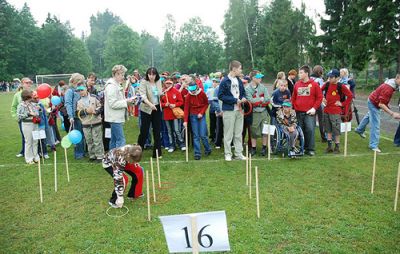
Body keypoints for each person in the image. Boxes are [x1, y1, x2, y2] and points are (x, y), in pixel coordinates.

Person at [355, 74, 400, 152]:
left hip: (373, 100)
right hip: (373, 103)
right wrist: (392, 113)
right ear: (397, 78)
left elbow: (382, 98)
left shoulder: (393, 84)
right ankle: (373, 145)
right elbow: (381, 104)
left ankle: (359, 129)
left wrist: (387, 104)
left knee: (369, 116)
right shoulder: (389, 88)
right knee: (375, 125)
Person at [218, 60, 247, 161]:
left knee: (238, 133)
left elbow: (243, 92)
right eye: (240, 68)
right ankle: (228, 153)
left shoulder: (238, 80)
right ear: (234, 69)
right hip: (229, 110)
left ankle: (238, 153)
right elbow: (220, 96)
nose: (241, 70)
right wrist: (235, 100)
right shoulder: (224, 81)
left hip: (239, 110)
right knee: (228, 133)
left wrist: (243, 98)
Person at [292, 65, 323, 156]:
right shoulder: (297, 84)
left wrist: (314, 108)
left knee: (310, 129)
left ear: (306, 73)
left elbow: (319, 97)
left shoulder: (314, 84)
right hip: (298, 112)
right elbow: (293, 97)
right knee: (300, 130)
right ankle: (302, 147)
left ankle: (310, 148)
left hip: (309, 112)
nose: (299, 74)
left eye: (301, 73)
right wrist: (293, 108)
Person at [321, 69, 353, 153]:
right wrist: (322, 98)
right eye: (329, 77)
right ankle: (329, 147)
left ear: (337, 78)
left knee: (336, 129)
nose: (329, 78)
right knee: (328, 129)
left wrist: (342, 104)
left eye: (331, 77)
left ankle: (337, 147)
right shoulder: (327, 84)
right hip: (326, 110)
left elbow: (350, 96)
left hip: (335, 111)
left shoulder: (341, 86)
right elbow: (319, 91)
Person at [102, 144, 143, 208]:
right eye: (133, 161)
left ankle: (133, 194)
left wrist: (135, 162)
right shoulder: (120, 158)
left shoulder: (134, 149)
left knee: (139, 170)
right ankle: (114, 200)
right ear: (129, 156)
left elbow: (133, 157)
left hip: (125, 160)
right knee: (124, 179)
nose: (134, 163)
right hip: (109, 163)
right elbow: (118, 179)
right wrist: (120, 197)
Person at [104, 65, 134, 150]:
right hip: (114, 118)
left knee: (113, 140)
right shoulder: (111, 86)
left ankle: (111, 159)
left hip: (115, 117)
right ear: (115, 74)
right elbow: (112, 104)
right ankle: (119, 159)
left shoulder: (116, 84)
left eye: (123, 74)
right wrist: (126, 102)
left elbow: (119, 100)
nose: (122, 77)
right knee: (121, 140)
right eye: (121, 74)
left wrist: (129, 101)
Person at [138, 67, 163, 158]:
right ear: (147, 75)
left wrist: (161, 93)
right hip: (146, 108)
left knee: (157, 130)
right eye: (150, 74)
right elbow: (143, 96)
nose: (151, 76)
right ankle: (138, 151)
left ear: (156, 75)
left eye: (153, 74)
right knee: (144, 130)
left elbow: (160, 93)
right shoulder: (143, 82)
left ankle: (157, 153)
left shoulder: (158, 81)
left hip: (156, 108)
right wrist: (150, 104)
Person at [183, 81, 211, 160]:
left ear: (197, 87)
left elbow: (206, 104)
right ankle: (197, 153)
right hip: (193, 116)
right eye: (191, 90)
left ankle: (208, 149)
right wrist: (185, 121)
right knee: (196, 136)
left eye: (193, 90)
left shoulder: (202, 93)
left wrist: (201, 113)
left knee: (203, 135)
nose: (192, 91)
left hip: (201, 115)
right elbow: (186, 109)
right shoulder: (188, 96)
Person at [245, 71, 271, 156]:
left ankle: (264, 148)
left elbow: (267, 99)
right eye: (258, 77)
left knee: (265, 130)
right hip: (254, 113)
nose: (260, 79)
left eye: (260, 77)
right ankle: (253, 148)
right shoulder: (248, 89)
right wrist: (260, 99)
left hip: (264, 112)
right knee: (254, 131)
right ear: (253, 78)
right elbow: (250, 101)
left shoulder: (263, 87)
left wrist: (258, 102)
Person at [76, 85, 104, 162]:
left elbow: (101, 106)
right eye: (79, 91)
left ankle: (100, 156)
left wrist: (96, 111)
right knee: (89, 140)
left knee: (97, 140)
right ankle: (92, 155)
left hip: (96, 122)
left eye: (82, 90)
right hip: (86, 123)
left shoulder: (94, 97)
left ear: (86, 89)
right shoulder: (78, 101)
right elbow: (77, 112)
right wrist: (85, 111)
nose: (81, 92)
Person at [161, 77, 185, 152]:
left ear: (172, 83)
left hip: (175, 114)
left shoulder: (176, 91)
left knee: (176, 130)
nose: (168, 85)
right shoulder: (163, 92)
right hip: (167, 114)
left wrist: (174, 105)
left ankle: (181, 143)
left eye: (170, 83)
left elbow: (181, 102)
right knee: (169, 131)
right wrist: (165, 104)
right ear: (165, 84)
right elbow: (160, 103)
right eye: (167, 83)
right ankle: (172, 145)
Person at [65, 73, 86, 159]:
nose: (80, 83)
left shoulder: (81, 90)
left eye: (81, 82)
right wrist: (70, 116)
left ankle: (84, 151)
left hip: (84, 115)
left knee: (84, 135)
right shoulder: (70, 91)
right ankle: (79, 153)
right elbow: (68, 104)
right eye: (78, 82)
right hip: (76, 117)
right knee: (78, 135)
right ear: (73, 81)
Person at [11, 77, 32, 158]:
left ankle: (37, 152)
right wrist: (16, 117)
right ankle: (23, 151)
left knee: (33, 136)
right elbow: (13, 107)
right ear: (22, 84)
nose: (29, 84)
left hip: (33, 119)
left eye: (30, 82)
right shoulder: (17, 95)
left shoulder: (33, 93)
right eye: (27, 82)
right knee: (24, 136)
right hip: (22, 120)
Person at [17, 90, 40, 164]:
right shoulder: (21, 105)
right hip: (27, 124)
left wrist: (38, 110)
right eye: (30, 96)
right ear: (27, 97)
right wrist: (29, 114)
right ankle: (29, 159)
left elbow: (37, 113)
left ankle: (35, 156)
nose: (32, 98)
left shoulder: (33, 104)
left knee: (35, 141)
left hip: (35, 123)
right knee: (28, 142)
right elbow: (19, 116)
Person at [310, 65, 326, 143]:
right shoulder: (320, 80)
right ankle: (323, 137)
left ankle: (310, 137)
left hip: (310, 102)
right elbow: (323, 91)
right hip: (318, 102)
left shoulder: (309, 79)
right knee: (321, 120)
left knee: (311, 120)